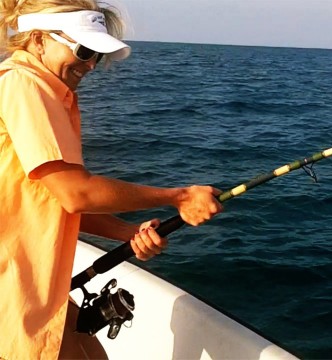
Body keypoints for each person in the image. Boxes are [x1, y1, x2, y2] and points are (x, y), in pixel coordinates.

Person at [0, 0, 223, 359]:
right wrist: (178, 197)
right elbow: (77, 193)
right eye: (84, 50)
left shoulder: (49, 92)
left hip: (36, 288)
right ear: (38, 39)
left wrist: (126, 233)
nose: (89, 65)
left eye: (97, 56)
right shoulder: (25, 87)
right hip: (13, 291)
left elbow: (51, 200)